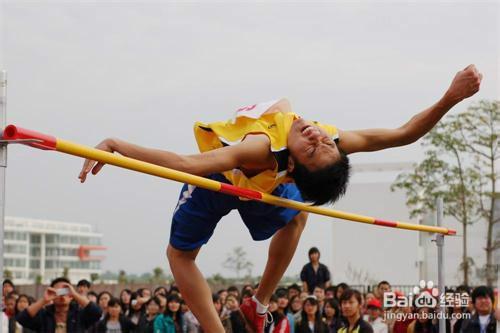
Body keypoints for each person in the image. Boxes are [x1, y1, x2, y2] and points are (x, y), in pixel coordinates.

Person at [79, 64, 482, 333]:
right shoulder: (315, 138)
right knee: (180, 255)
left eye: (314, 147)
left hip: (258, 182)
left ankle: (259, 301)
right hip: (217, 177)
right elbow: (188, 164)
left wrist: (452, 96)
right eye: (321, 139)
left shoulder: (267, 150)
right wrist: (118, 147)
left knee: (298, 215)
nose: (315, 135)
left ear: (292, 166)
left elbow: (404, 134)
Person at [16, 277, 101, 332]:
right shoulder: (44, 315)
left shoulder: (79, 314)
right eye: (58, 291)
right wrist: (44, 300)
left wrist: (75, 294)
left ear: (71, 295)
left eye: (65, 291)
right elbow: (22, 318)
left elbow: (97, 312)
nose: (62, 295)